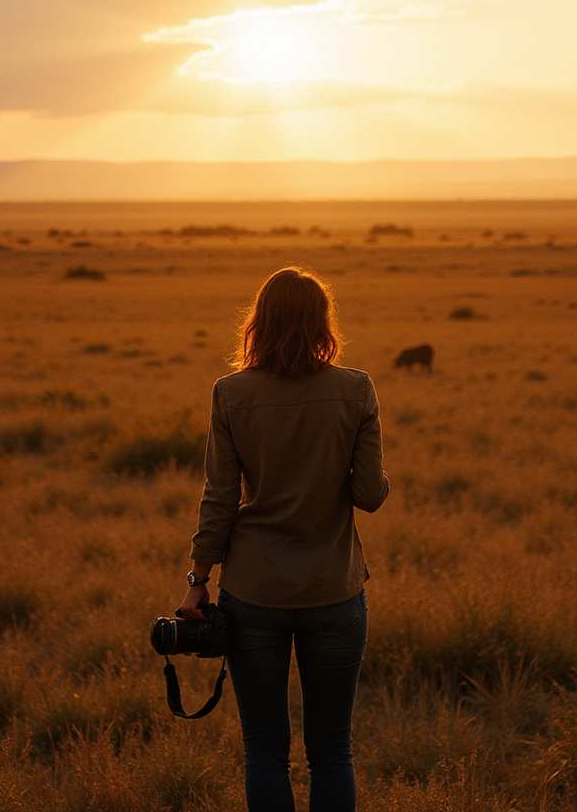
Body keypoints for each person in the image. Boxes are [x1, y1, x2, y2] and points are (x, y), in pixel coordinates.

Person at [179, 266, 389, 812]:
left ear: (260, 322)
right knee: (332, 750)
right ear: (323, 322)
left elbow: (219, 500)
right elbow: (370, 495)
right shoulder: (356, 389)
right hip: (334, 588)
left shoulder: (230, 393)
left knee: (265, 749)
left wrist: (198, 580)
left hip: (254, 591)